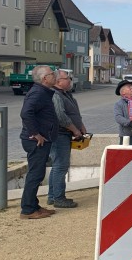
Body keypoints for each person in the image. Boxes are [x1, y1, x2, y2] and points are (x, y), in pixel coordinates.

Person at [18, 65, 59, 219]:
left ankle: (33, 205)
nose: (55, 76)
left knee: (37, 173)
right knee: (35, 174)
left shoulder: (42, 92)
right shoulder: (38, 93)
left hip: (42, 140)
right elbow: (26, 113)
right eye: (52, 74)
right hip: (36, 141)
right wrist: (35, 134)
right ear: (44, 78)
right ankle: (28, 210)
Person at [48, 69, 87, 208]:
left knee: (57, 166)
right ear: (58, 81)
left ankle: (53, 196)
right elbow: (61, 116)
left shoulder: (66, 94)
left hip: (64, 134)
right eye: (67, 78)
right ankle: (58, 198)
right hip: (60, 134)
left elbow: (73, 113)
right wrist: (75, 129)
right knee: (61, 166)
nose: (70, 80)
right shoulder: (55, 94)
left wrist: (81, 125)